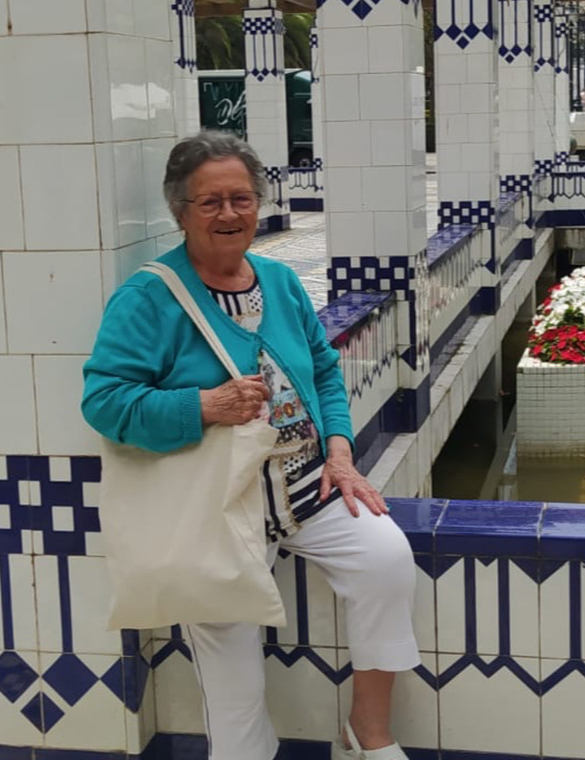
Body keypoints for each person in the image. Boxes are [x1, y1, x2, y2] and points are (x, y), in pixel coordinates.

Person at [82, 131, 419, 760]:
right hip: (218, 509)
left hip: (307, 487)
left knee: (386, 561)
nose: (229, 214)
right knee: (233, 693)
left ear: (259, 204)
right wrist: (203, 406)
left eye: (241, 198)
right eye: (210, 202)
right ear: (180, 211)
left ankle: (368, 731)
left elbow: (325, 372)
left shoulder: (280, 281)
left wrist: (340, 452)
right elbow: (105, 403)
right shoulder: (148, 299)